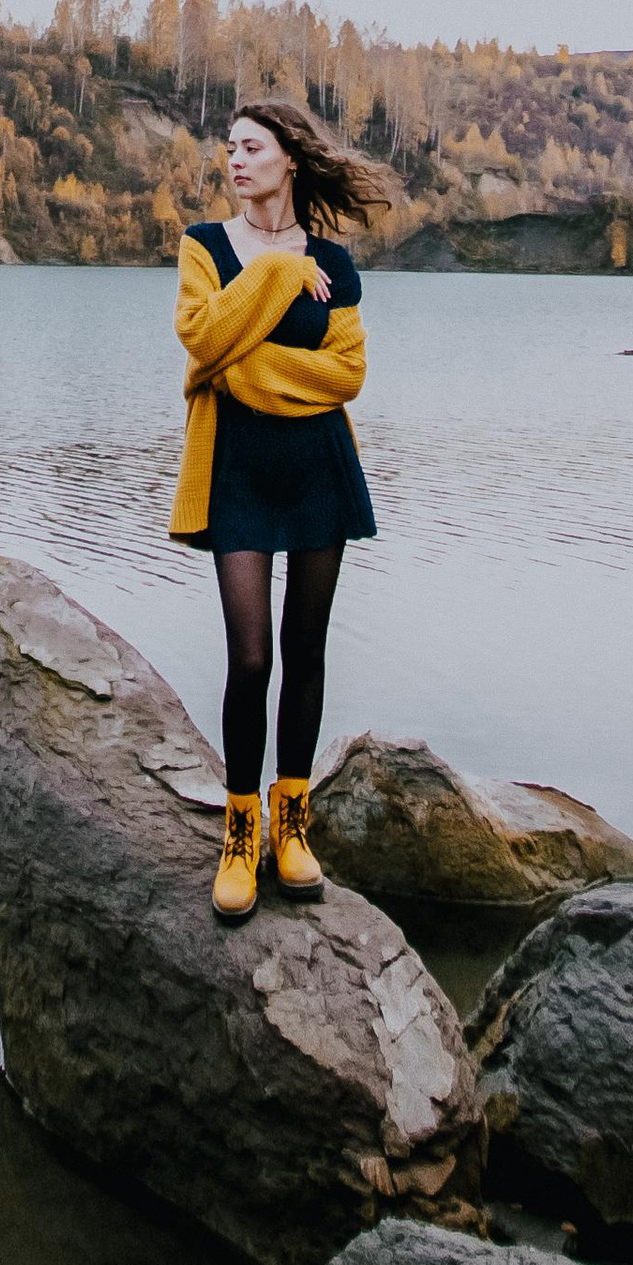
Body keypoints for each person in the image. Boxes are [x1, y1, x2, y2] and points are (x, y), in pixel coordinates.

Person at [169, 99, 391, 921]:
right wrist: (276, 275)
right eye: (229, 148)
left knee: (306, 652)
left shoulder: (334, 260)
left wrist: (247, 364)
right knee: (251, 659)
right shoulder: (206, 246)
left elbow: (346, 375)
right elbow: (202, 339)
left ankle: (291, 827)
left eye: (251, 147)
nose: (235, 160)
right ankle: (238, 831)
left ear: (289, 158)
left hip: (319, 472)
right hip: (236, 473)